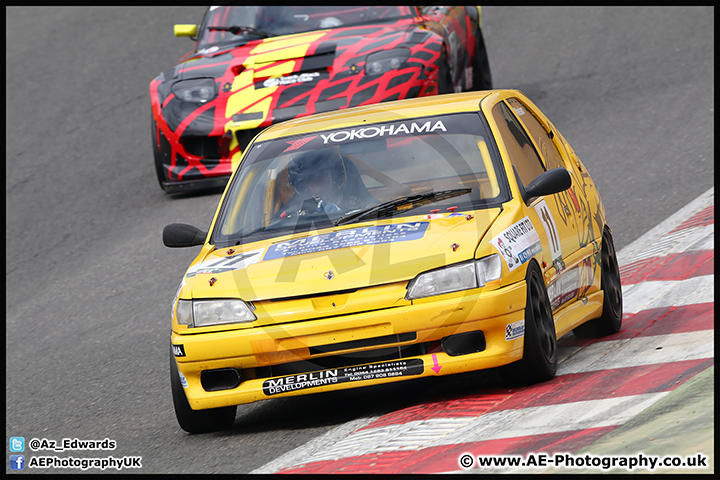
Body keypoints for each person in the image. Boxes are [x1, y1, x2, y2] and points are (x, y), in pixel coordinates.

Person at [282, 147, 375, 218]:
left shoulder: (357, 204)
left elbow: (376, 214)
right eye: (309, 179)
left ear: (335, 177)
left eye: (319, 177)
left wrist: (343, 213)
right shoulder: (299, 212)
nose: (315, 183)